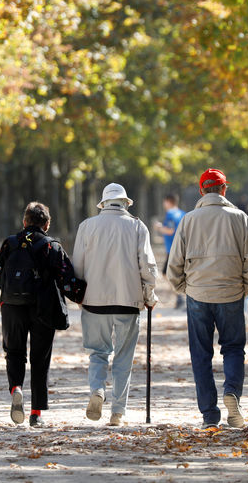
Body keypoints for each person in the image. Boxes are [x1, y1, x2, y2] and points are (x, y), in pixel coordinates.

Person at [0, 202, 86, 428]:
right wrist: (84, 298)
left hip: (12, 306)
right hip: (43, 308)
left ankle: (16, 388)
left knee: (14, 352)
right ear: (46, 224)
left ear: (24, 222)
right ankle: (36, 413)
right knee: (40, 359)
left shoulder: (10, 243)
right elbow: (68, 280)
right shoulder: (51, 246)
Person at [166, 168, 248, 429]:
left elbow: (173, 265)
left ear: (201, 191)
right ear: (224, 190)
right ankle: (232, 393)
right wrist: (246, 288)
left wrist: (184, 288)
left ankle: (209, 414)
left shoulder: (188, 220)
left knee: (201, 354)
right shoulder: (240, 219)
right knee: (232, 348)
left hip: (198, 294)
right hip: (231, 293)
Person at [72, 183, 159, 427]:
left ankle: (97, 389)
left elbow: (77, 266)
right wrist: (149, 295)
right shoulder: (137, 226)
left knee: (97, 354)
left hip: (93, 302)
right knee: (123, 359)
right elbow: (148, 267)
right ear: (125, 202)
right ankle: (117, 412)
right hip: (128, 302)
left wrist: (80, 297)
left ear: (103, 203)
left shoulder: (86, 226)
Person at [154, 194, 186, 309]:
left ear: (168, 201)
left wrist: (159, 227)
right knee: (178, 273)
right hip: (182, 249)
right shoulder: (183, 214)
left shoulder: (170, 214)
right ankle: (181, 297)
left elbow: (170, 230)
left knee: (166, 274)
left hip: (173, 250)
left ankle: (180, 297)